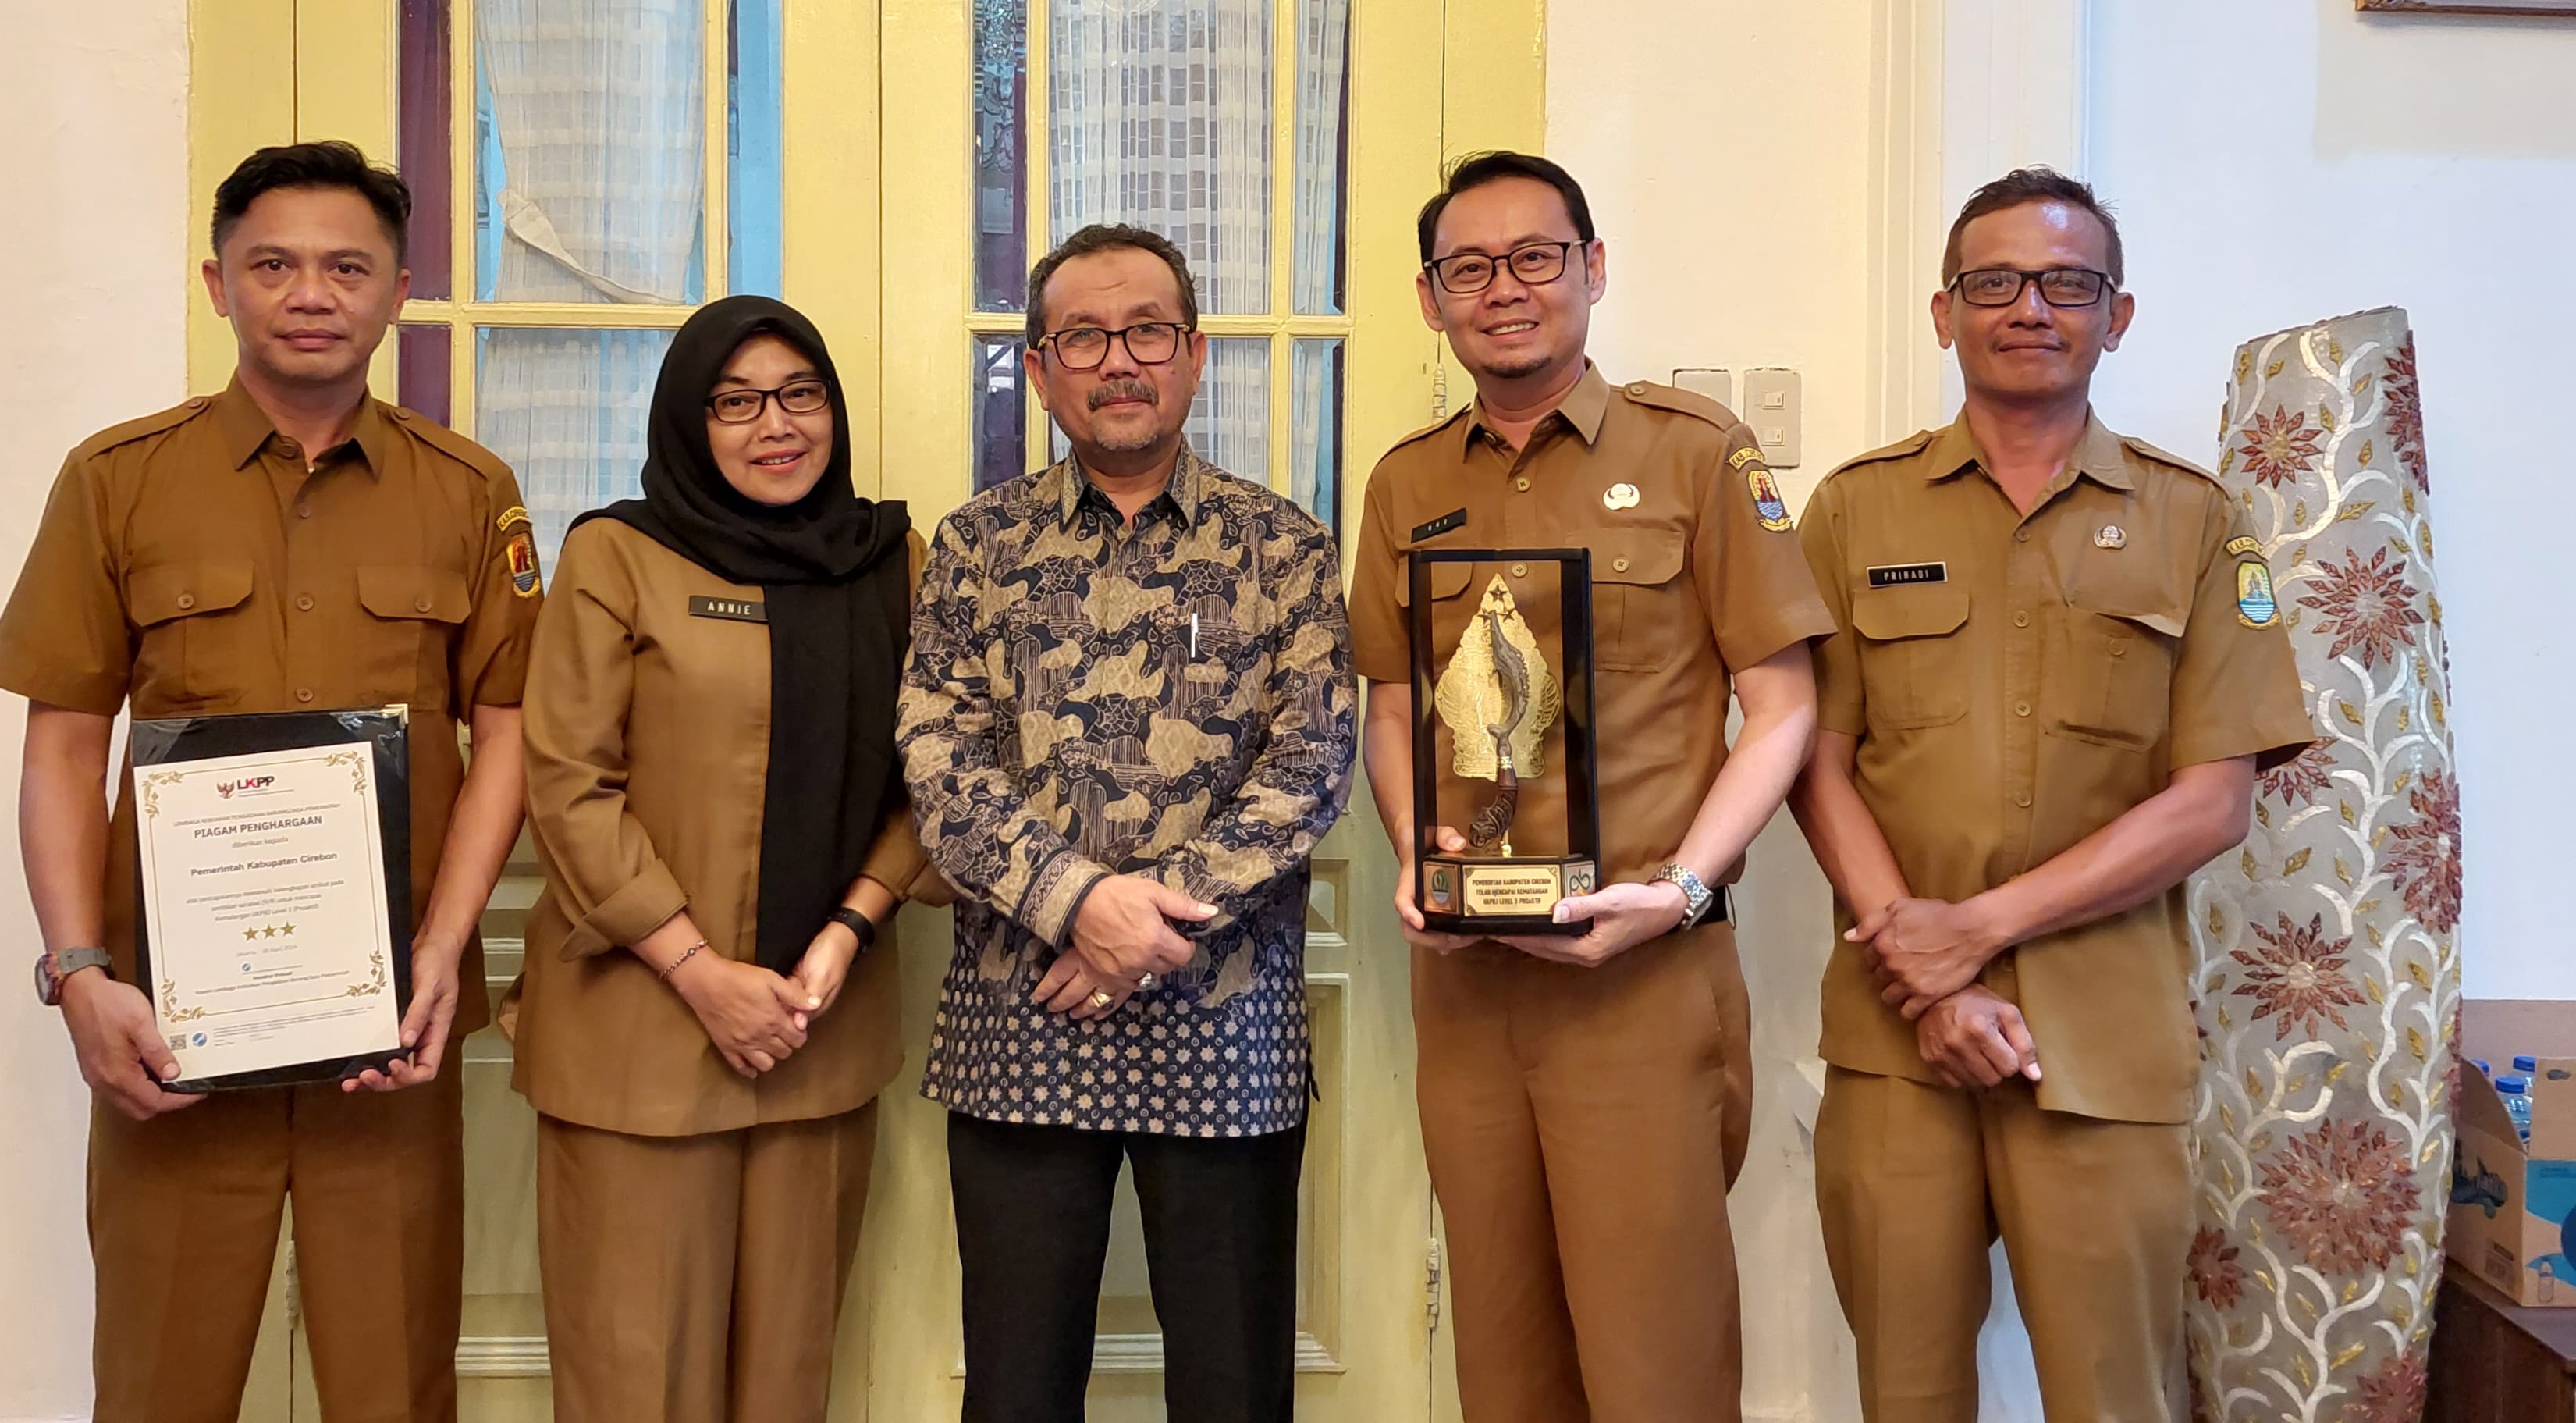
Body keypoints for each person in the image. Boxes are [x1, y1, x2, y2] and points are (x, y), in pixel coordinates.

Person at [0, 141, 539, 1423]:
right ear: (217, 283)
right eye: (272, 263)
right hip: (170, 1035)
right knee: (161, 1382)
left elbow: (505, 725)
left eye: (348, 266)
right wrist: (77, 975)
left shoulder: (471, 493)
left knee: (393, 1386)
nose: (310, 291)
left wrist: (445, 949)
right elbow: (63, 737)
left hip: (384, 1038)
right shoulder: (119, 479)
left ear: (402, 289)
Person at [1789, 167, 2315, 1423]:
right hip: (1896, 1041)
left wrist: (1975, 931)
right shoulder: (1855, 509)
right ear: (1944, 310)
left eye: (2067, 283)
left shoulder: (2197, 520)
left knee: (2113, 1398)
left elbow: (2212, 802)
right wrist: (1933, 977)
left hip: (2107, 1043)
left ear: (2116, 315)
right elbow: (1813, 759)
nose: (2031, 306)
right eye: (1995, 282)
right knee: (1904, 1395)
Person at [1350, 151, 1832, 1423]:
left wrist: (1681, 889)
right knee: (1504, 1361)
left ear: (1593, 268)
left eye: (1535, 256)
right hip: (1468, 989)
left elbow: (1782, 707)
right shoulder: (1407, 482)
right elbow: (1394, 704)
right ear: (1431, 295)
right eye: (1469, 266)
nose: (1503, 289)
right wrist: (1413, 850)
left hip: (1641, 982)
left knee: (1653, 1363)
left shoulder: (1695, 455)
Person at [898, 223, 1356, 1423]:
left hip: (1223, 1017)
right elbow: (939, 761)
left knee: (1232, 1385)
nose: (1119, 361)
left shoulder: (1283, 545)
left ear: (1195, 354)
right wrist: (1075, 905)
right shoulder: (975, 546)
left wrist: (1148, 926)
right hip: (1023, 1009)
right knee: (1017, 1382)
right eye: (1084, 337)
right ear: (1040, 368)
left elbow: (1310, 762)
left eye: (1146, 330)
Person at [510, 297, 940, 1423]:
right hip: (640, 1038)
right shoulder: (617, 553)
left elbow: (939, 775)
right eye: (737, 401)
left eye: (801, 394)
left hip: (816, 1026)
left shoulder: (892, 558)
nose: (776, 424)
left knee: (785, 1385)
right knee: (633, 1383)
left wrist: (850, 925)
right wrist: (701, 970)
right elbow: (567, 781)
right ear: (689, 420)